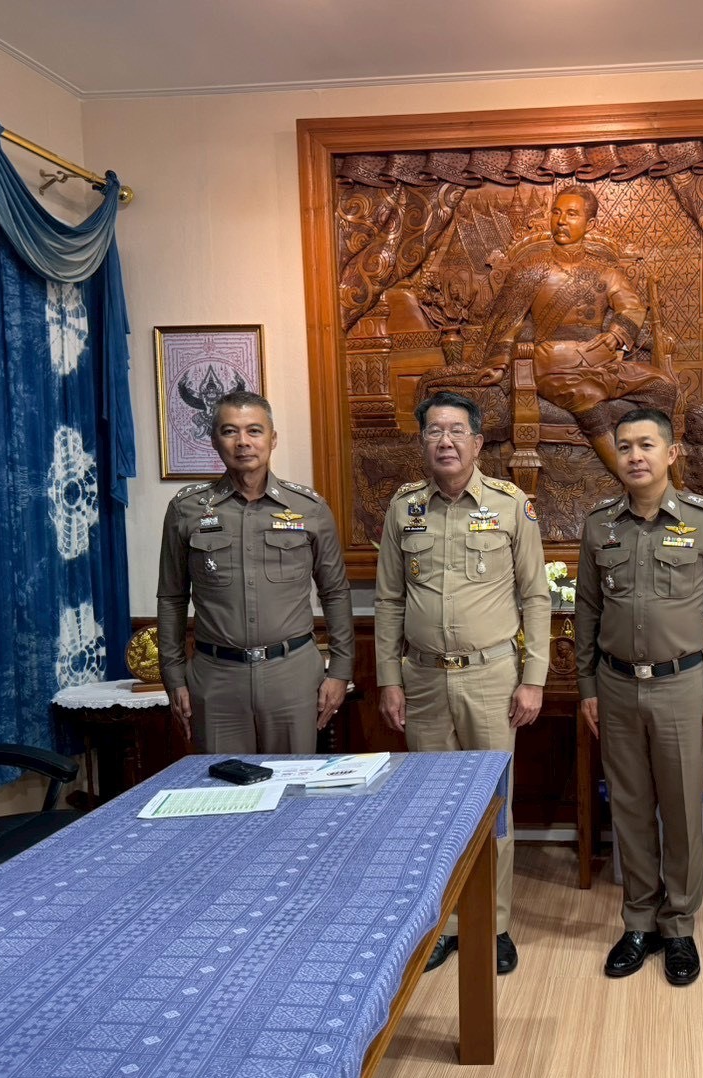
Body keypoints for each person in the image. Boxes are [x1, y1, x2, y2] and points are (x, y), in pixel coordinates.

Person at [373, 391, 550, 977]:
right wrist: (389, 678)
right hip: (422, 680)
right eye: (433, 431)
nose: (444, 441)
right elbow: (389, 600)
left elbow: (535, 596)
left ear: (477, 443)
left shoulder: (510, 505)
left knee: (492, 810)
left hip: (492, 678)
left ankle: (493, 925)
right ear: (422, 442)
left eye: (456, 431)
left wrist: (533, 679)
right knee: (430, 811)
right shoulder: (403, 509)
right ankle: (445, 924)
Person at [575, 408, 703, 987]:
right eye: (625, 446)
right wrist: (588, 686)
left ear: (671, 454)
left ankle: (679, 927)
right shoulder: (600, 524)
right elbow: (587, 610)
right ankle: (639, 922)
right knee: (628, 808)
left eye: (646, 445)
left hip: (682, 687)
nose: (634, 456)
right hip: (617, 686)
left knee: (681, 811)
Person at [157, 390, 352, 755]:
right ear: (214, 440)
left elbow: (335, 592)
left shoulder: (309, 508)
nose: (243, 442)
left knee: (294, 783)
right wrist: (173, 675)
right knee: (222, 785)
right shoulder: (186, 509)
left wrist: (340, 670)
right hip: (216, 677)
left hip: (292, 674)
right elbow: (171, 597)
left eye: (254, 431)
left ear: (272, 439)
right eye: (230, 431)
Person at [476, 185, 679, 479]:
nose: (561, 221)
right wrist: (498, 364)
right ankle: (632, 480)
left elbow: (632, 307)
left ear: (589, 223)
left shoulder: (605, 272)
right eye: (556, 213)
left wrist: (616, 334)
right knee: (586, 396)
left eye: (572, 214)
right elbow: (509, 323)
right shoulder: (530, 270)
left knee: (663, 386)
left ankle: (657, 467)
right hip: (553, 366)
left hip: (600, 362)